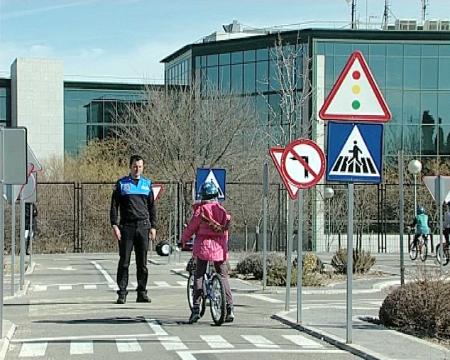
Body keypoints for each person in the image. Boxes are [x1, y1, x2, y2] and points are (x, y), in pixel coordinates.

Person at [181, 181, 234, 324]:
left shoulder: (200, 211)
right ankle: (229, 308)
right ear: (217, 195)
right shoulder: (222, 211)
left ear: (202, 195)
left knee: (198, 274)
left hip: (203, 247)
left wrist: (183, 240)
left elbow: (191, 228)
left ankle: (196, 308)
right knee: (223, 276)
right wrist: (225, 249)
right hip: (219, 247)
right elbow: (225, 233)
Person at [110, 154, 157, 304]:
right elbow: (114, 206)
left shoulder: (147, 184)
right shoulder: (122, 184)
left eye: (140, 167)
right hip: (126, 227)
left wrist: (153, 226)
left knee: (142, 263)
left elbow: (152, 207)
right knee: (124, 261)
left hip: (143, 226)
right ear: (130, 167)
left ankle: (141, 292)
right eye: (135, 166)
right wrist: (114, 225)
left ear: (143, 167)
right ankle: (122, 292)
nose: (137, 169)